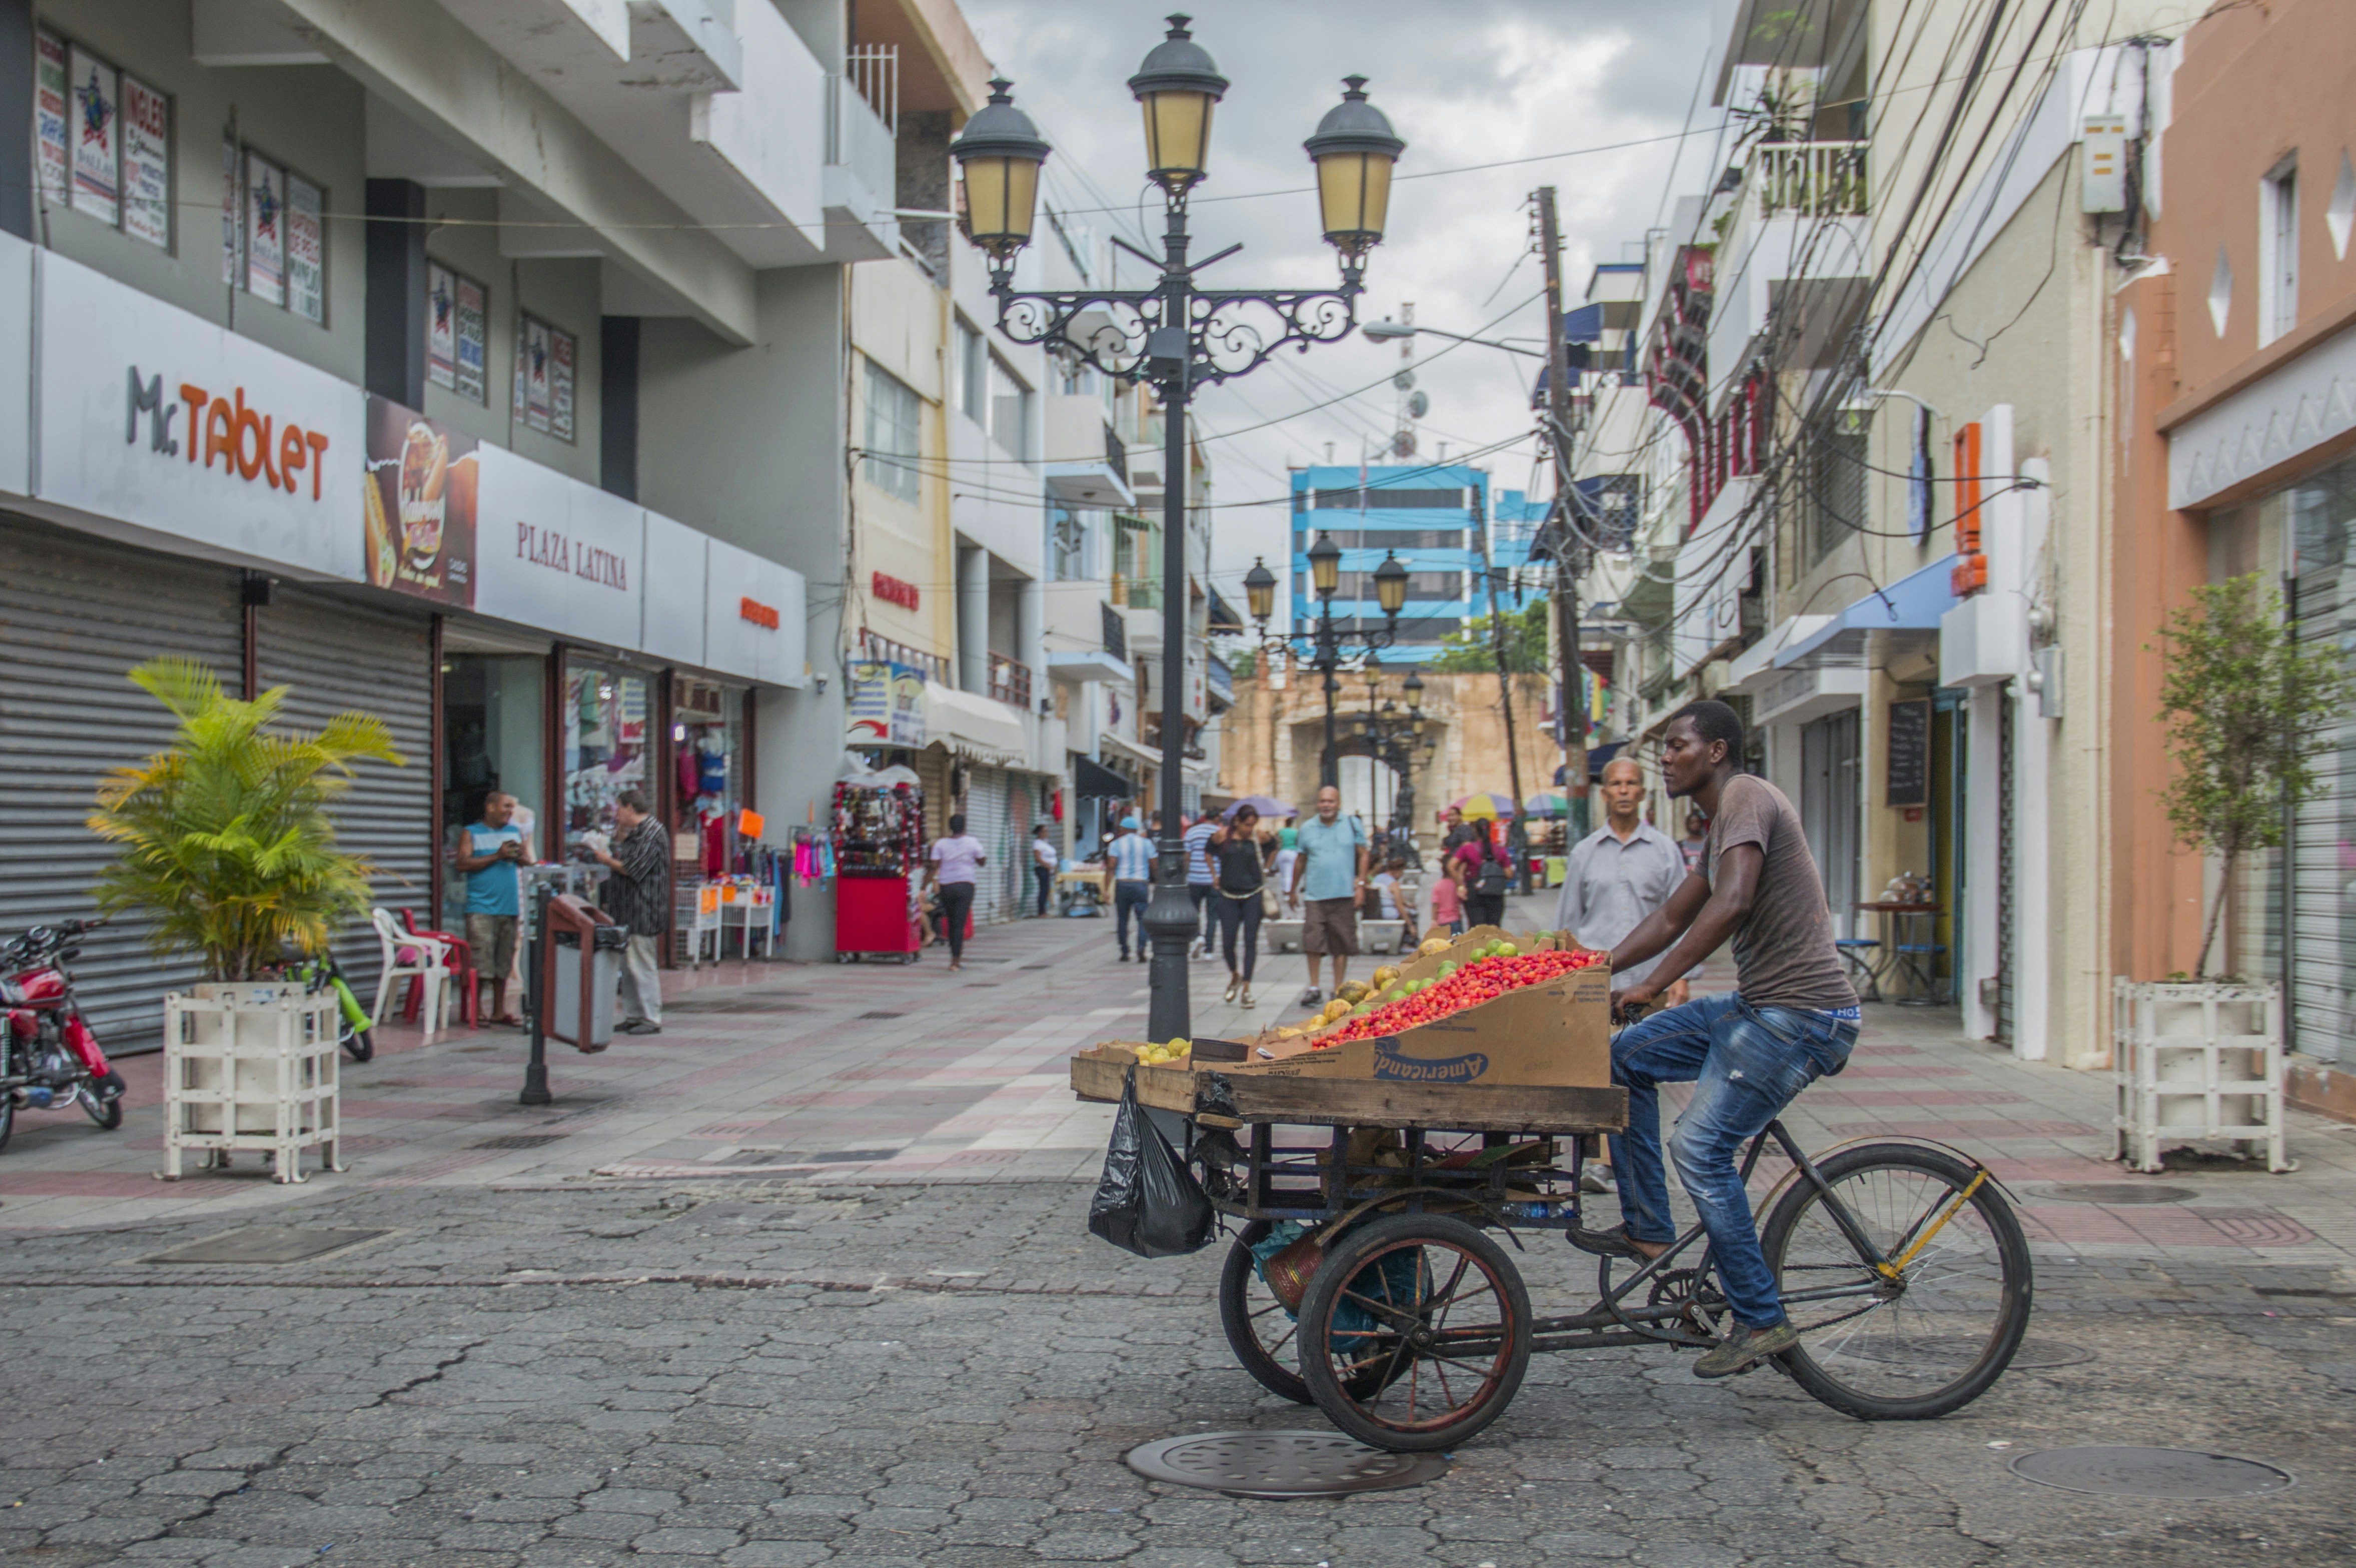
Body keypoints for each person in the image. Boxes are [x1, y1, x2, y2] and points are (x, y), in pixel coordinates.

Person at [1573, 699, 1861, 1380]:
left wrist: (1653, 985)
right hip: (1761, 1005)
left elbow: (1729, 904)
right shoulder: (1716, 820)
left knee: (1699, 1148)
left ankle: (1760, 1318)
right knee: (1623, 1059)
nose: (1664, 757)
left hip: (1802, 1015)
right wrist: (1592, 970)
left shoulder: (1746, 797)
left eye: (1676, 745)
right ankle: (1649, 1226)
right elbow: (1675, 911)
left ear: (1717, 751)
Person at [1555, 756, 1689, 1194]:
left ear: (1643, 793)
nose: (1625, 790)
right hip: (1596, 987)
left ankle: (1635, 1162)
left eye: (1632, 783)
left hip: (1648, 985)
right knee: (1596, 1073)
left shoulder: (1665, 851)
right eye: (1616, 783)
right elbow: (1567, 924)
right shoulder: (1585, 853)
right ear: (1605, 793)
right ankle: (1600, 1162)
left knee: (1640, 1074)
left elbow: (1682, 918)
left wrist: (1683, 978)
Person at [587, 789, 669, 1036]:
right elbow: (625, 850)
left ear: (630, 808)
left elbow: (633, 869)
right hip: (627, 910)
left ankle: (651, 1017)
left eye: (620, 809)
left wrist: (606, 860)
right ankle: (634, 1015)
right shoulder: (639, 833)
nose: (617, 814)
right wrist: (620, 834)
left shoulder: (652, 833)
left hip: (643, 910)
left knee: (642, 964)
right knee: (628, 965)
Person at [1286, 785, 1368, 1006]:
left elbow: (1363, 854)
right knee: (1312, 941)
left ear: (1338, 803)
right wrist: (1292, 889)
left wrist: (1361, 884)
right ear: (1317, 804)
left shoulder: (1352, 824)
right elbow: (1301, 860)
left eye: (1330, 801)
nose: (1326, 805)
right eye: (1322, 801)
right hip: (1315, 895)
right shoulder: (1308, 828)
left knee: (1340, 943)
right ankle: (1314, 987)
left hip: (1343, 893)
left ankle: (1338, 988)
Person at [454, 791, 527, 1026]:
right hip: (481, 908)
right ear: (491, 807)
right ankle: (478, 1010)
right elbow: (463, 863)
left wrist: (522, 857)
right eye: (506, 807)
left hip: (509, 906)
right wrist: (498, 855)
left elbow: (524, 861)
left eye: (511, 808)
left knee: (504, 961)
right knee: (481, 960)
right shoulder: (471, 833)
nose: (510, 812)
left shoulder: (514, 833)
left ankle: (499, 1010)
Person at [1209, 804, 1268, 1007]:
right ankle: (1235, 974)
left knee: (1250, 941)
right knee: (1227, 943)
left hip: (1253, 894)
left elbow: (1274, 846)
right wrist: (1214, 875)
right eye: (1246, 825)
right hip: (1228, 895)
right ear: (1237, 821)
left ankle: (1247, 988)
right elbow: (1208, 851)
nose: (1248, 829)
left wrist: (1266, 869)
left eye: (1252, 825)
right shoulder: (1222, 836)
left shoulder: (1258, 837)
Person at [921, 813, 986, 973]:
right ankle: (955, 962)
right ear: (964, 826)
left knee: (952, 922)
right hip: (965, 885)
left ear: (950, 827)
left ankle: (954, 959)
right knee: (959, 923)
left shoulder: (941, 844)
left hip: (947, 886)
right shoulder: (972, 842)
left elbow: (934, 866)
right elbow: (982, 861)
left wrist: (923, 886)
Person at [1103, 814, 1154, 961]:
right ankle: (1141, 947)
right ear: (1136, 830)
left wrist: (1106, 889)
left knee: (1123, 919)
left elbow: (1111, 867)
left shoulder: (1116, 844)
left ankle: (1124, 951)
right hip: (1140, 884)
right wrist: (1156, 882)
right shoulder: (1147, 843)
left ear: (1124, 829)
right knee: (1142, 918)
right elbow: (1154, 864)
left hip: (1123, 884)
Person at [1454, 822, 1513, 930]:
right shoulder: (1500, 850)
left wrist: (1460, 885)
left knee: (1476, 928)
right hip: (1495, 892)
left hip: (1474, 891)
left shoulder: (1468, 849)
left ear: (1475, 831)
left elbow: (1451, 866)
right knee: (1494, 928)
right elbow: (1509, 875)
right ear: (1490, 831)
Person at [1183, 811, 1220, 958]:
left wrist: (1186, 872)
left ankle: (1197, 936)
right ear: (1217, 819)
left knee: (1194, 912)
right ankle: (1209, 950)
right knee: (1212, 915)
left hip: (1195, 878)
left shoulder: (1192, 832)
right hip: (1213, 879)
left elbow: (1187, 856)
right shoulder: (1219, 832)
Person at [1428, 852, 1464, 935]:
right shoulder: (1457, 885)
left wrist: (1434, 920)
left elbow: (1435, 905)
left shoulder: (1438, 885)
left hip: (1442, 921)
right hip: (1455, 920)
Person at [1271, 825, 1301, 914]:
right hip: (1293, 852)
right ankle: (1290, 892)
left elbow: (1277, 840)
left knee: (1284, 874)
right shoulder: (1296, 832)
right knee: (1291, 874)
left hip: (1283, 852)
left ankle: (1285, 893)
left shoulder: (1281, 831)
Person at [1031, 824, 1059, 917]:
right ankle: (1041, 912)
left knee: (1047, 890)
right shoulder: (1037, 844)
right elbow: (1038, 858)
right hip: (1042, 869)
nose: (1047, 833)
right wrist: (1048, 865)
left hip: (1047, 870)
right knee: (1043, 889)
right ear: (1039, 833)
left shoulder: (1046, 843)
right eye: (1044, 831)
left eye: (1047, 831)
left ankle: (1045, 910)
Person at [1679, 808, 1710, 876]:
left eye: (1697, 822)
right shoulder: (1681, 845)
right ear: (1687, 825)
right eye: (1692, 823)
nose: (1695, 825)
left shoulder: (1707, 844)